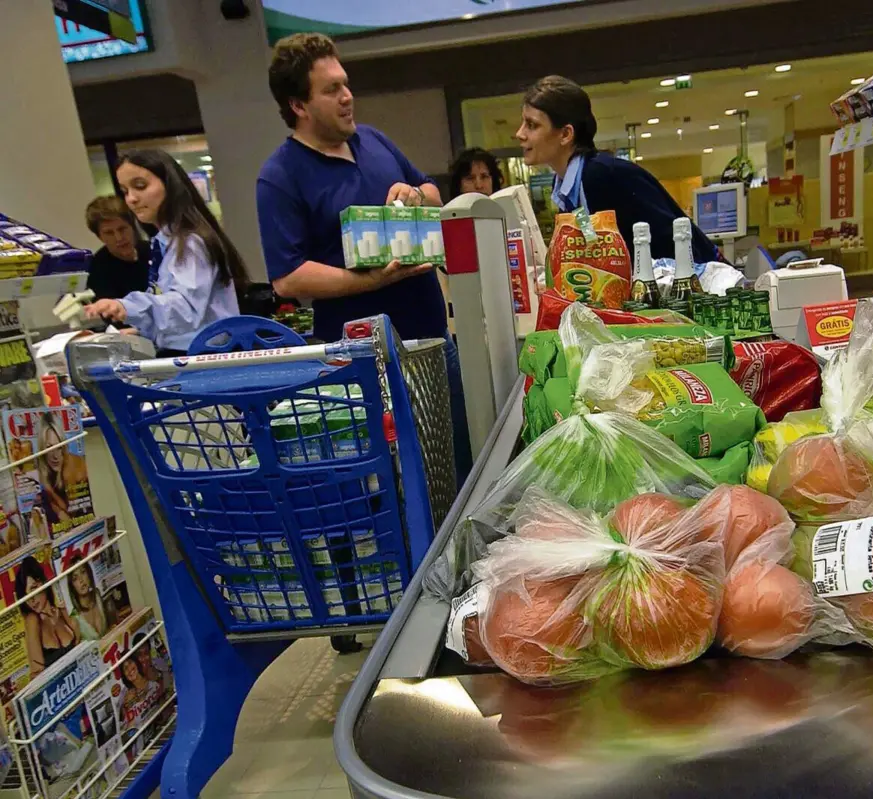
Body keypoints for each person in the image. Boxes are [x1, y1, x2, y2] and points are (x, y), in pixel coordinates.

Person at [256, 32, 471, 654]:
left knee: (441, 464)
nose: (349, 96)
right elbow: (289, 276)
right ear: (299, 104)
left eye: (347, 83)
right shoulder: (281, 177)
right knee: (358, 483)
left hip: (427, 339)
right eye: (333, 89)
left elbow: (432, 193)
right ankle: (358, 611)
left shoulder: (373, 142)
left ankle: (449, 599)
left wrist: (413, 195)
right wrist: (368, 279)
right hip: (352, 359)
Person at [516, 75, 720, 264]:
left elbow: (671, 240)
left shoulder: (601, 176)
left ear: (566, 134)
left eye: (532, 125)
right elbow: (594, 244)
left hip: (701, 282)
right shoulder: (568, 186)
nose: (520, 134)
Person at [83, 150, 247, 356]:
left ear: (170, 185)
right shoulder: (164, 242)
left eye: (140, 186)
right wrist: (143, 331)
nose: (132, 199)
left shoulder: (190, 242)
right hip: (190, 353)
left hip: (204, 357)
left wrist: (126, 306)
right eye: (125, 191)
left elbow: (186, 309)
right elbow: (178, 313)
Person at [16, 555, 80, 675]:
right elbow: (36, 674)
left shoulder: (61, 610)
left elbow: (81, 641)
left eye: (34, 588)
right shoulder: (33, 620)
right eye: (26, 596)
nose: (32, 600)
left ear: (44, 582)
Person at [83, 196, 150, 301]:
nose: (119, 238)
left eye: (122, 229)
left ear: (132, 226)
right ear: (100, 237)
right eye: (109, 233)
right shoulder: (98, 272)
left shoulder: (153, 249)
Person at [67, 562, 109, 641]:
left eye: (83, 572)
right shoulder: (74, 618)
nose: (81, 580)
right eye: (75, 579)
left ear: (89, 574)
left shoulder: (97, 596)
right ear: (72, 586)